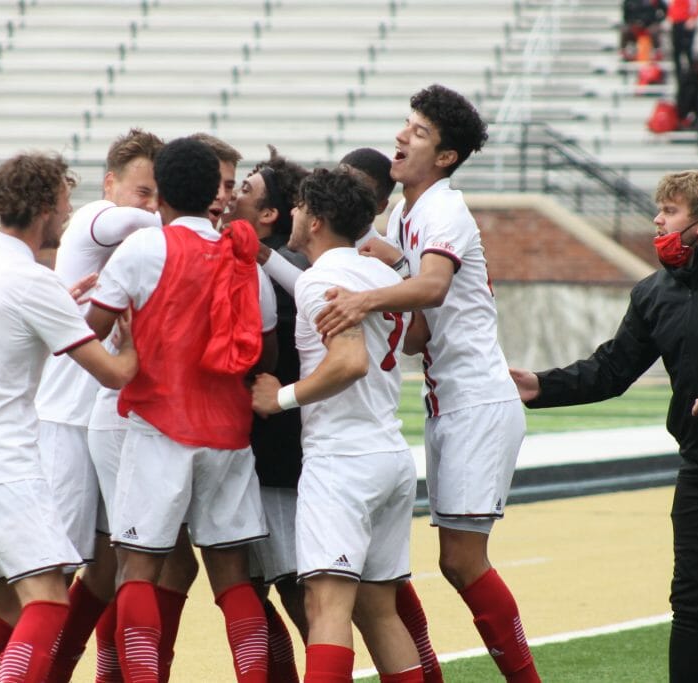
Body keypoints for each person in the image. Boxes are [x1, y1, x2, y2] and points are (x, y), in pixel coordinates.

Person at [510, 170, 698, 683]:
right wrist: (540, 387)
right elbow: (611, 370)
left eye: (669, 211)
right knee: (693, 607)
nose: (657, 219)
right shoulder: (655, 291)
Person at [314, 84, 539, 682]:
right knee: (451, 564)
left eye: (418, 132)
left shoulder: (442, 207)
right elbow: (418, 330)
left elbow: (433, 287)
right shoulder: (407, 213)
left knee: (463, 563)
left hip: (475, 403)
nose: (401, 136)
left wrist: (365, 297)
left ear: (444, 156)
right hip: (450, 403)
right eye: (405, 124)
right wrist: (378, 261)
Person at [0, 152, 138, 683]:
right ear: (45, 205)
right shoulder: (33, 281)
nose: (69, 213)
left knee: (10, 613)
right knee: (47, 602)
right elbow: (113, 374)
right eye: (65, 201)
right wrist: (133, 339)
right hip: (2, 461)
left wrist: (53, 314)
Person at [87, 136, 271, 683]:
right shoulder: (243, 256)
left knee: (138, 569)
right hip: (230, 432)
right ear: (217, 193)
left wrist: (126, 353)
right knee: (233, 578)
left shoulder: (143, 249)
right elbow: (266, 345)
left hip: (161, 426)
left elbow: (89, 333)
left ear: (162, 190)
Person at [251, 167, 424, 683]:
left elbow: (349, 362)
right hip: (388, 453)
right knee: (379, 609)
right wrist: (263, 257)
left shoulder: (327, 278)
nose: (294, 214)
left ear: (318, 219)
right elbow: (312, 286)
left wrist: (278, 398)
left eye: (301, 207)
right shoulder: (379, 275)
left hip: (341, 461)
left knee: (326, 607)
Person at [36, 128, 164, 683]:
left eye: (161, 192)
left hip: (114, 420)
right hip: (66, 417)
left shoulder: (147, 248)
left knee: (114, 564)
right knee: (50, 569)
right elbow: (128, 221)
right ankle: (33, 670)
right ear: (110, 183)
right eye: (143, 191)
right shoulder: (95, 219)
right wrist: (187, 216)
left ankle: (93, 671)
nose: (151, 204)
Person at [231, 144, 311, 682]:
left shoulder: (285, 272)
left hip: (276, 458)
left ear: (269, 215)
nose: (234, 193)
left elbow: (264, 360)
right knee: (251, 589)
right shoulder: (275, 264)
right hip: (263, 453)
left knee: (296, 588)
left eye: (248, 188)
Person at [668, 0, 698, 78]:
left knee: (688, 51)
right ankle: (679, 78)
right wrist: (670, 15)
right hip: (676, 21)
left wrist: (694, 17)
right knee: (676, 53)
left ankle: (692, 78)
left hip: (686, 21)